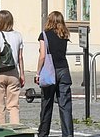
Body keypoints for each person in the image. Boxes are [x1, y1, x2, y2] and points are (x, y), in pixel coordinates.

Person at [35, 9, 73, 137]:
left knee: (46, 104)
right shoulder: (64, 35)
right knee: (65, 106)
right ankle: (68, 134)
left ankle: (43, 133)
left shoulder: (44, 35)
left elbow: (42, 56)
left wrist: (37, 73)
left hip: (50, 72)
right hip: (64, 70)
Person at [0, 8, 25, 126]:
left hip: (0, 73)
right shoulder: (18, 35)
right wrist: (22, 74)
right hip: (13, 72)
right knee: (13, 105)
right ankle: (15, 129)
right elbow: (20, 57)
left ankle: (1, 130)